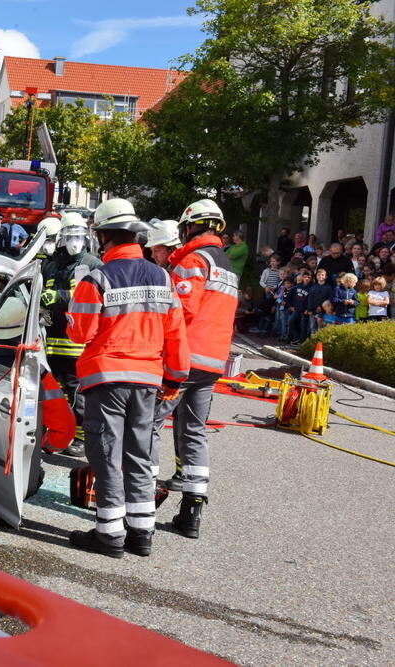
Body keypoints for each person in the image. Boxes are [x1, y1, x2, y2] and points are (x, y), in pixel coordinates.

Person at [66, 198, 189, 558]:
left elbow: (79, 333)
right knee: (139, 456)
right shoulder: (163, 277)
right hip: (149, 379)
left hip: (107, 378)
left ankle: (109, 535)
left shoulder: (98, 278)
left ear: (103, 236)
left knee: (106, 455)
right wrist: (175, 379)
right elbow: (177, 333)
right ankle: (142, 533)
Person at [152, 198, 238, 540]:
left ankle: (141, 504)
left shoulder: (193, 260)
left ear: (191, 227)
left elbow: (181, 311)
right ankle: (191, 514)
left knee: (151, 425)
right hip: (212, 363)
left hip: (185, 360)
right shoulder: (226, 264)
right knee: (194, 432)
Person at [40, 213, 102, 457]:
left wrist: (60, 297)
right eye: (70, 235)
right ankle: (53, 432)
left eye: (78, 235)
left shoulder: (93, 264)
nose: (74, 240)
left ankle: (79, 438)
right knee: (51, 392)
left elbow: (93, 297)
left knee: (78, 392)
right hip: (50, 340)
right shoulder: (52, 263)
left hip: (76, 342)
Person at [307, 268, 333, 336]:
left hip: (324, 311)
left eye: (322, 275)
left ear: (325, 276)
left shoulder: (328, 287)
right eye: (318, 275)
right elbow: (310, 299)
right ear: (316, 276)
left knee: (322, 327)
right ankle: (313, 342)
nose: (320, 276)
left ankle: (320, 342)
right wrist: (310, 309)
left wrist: (322, 308)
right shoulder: (313, 287)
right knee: (312, 326)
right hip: (313, 310)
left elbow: (329, 299)